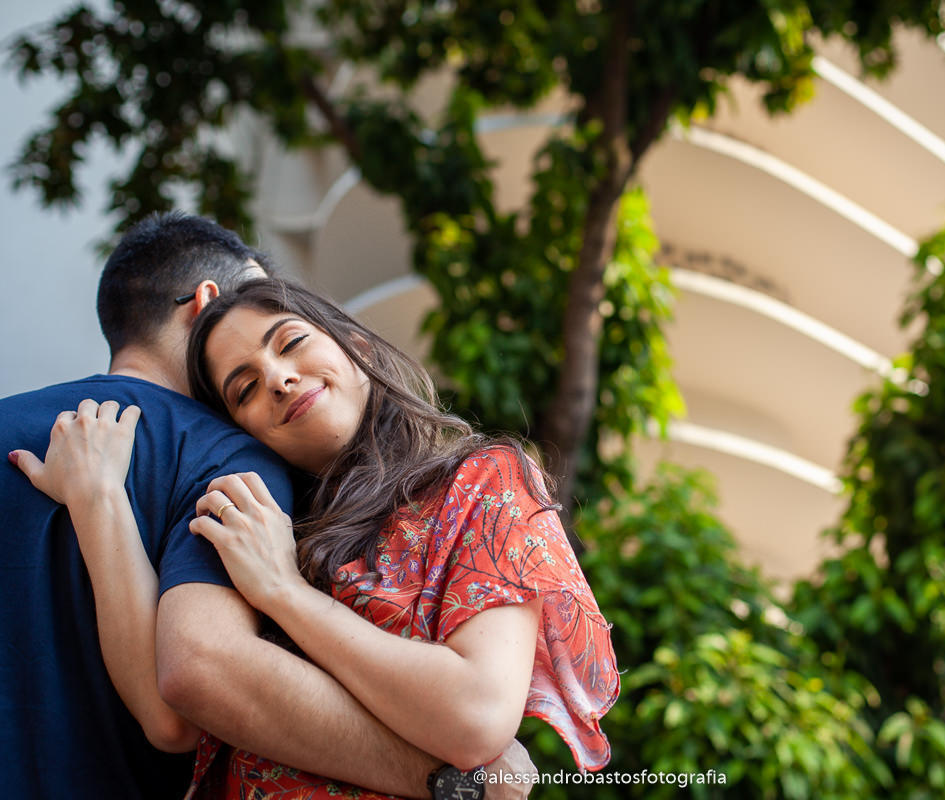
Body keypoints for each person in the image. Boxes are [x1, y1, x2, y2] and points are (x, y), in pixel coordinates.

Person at [28, 275, 620, 798]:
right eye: (245, 390)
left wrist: (285, 592)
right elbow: (172, 706)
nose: (279, 380)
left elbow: (477, 714)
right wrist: (98, 498)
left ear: (356, 346)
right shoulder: (258, 519)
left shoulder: (481, 480)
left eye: (291, 343)